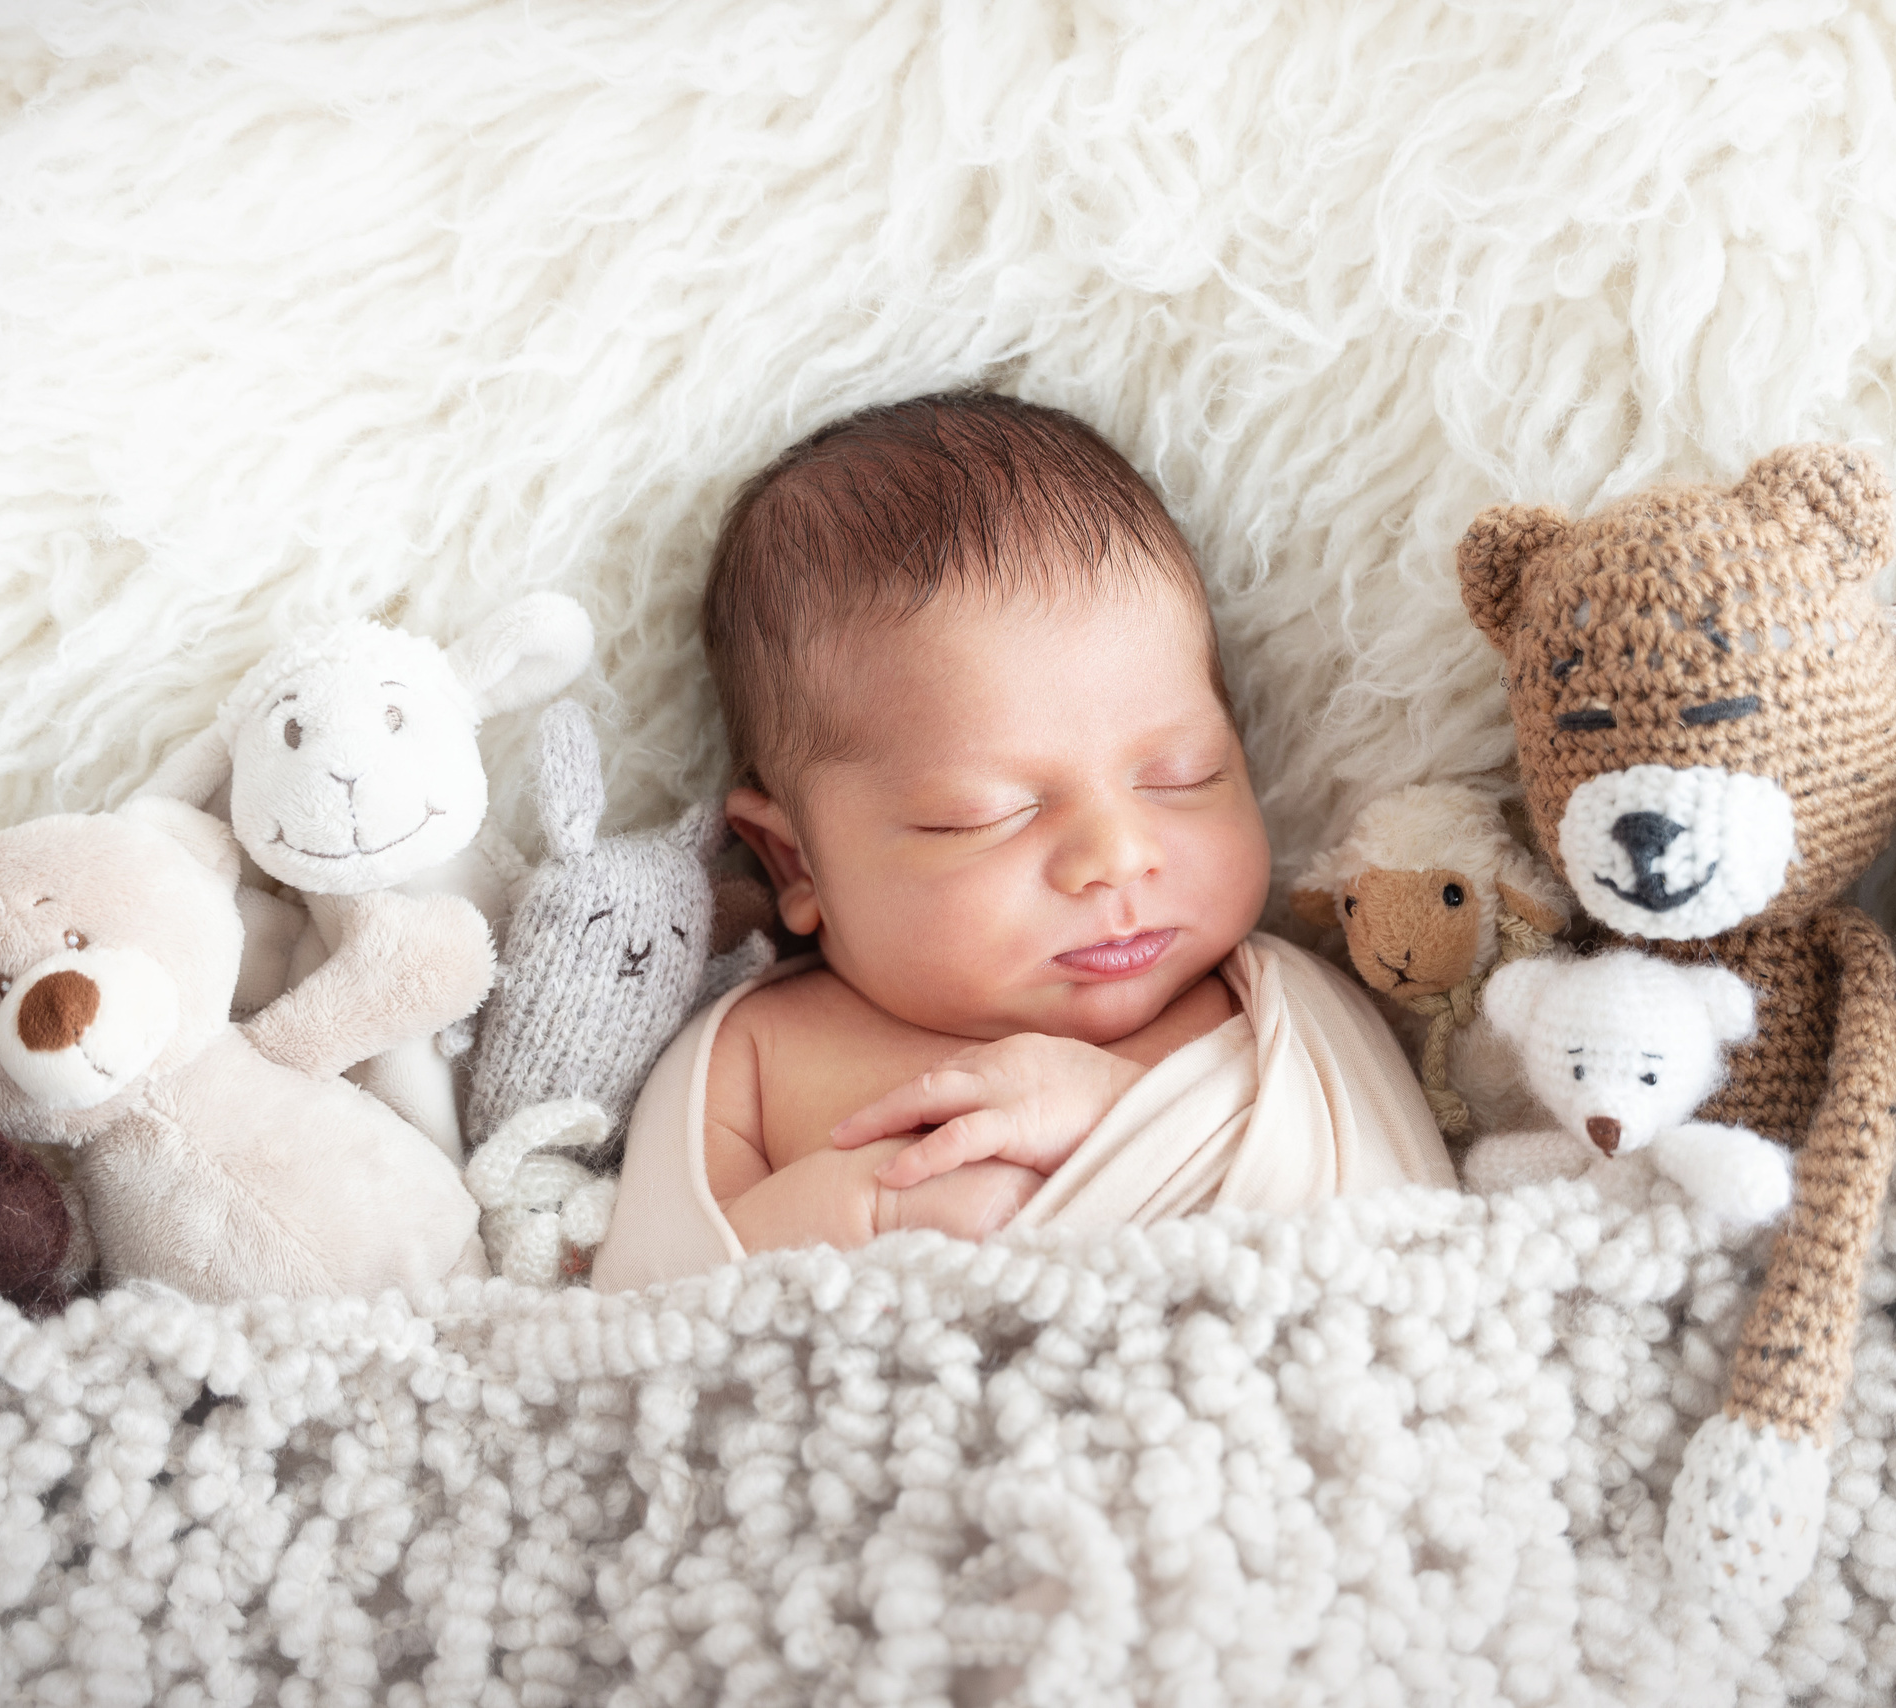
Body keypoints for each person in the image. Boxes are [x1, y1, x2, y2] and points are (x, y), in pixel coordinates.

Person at [591, 393, 1452, 1288]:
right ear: (795, 862)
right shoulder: (754, 1058)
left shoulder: (1268, 1008)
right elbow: (641, 1313)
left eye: (1185, 776)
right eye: (985, 815)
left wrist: (1126, 1121)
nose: (1118, 856)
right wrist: (865, 1212)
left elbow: (1404, 1242)